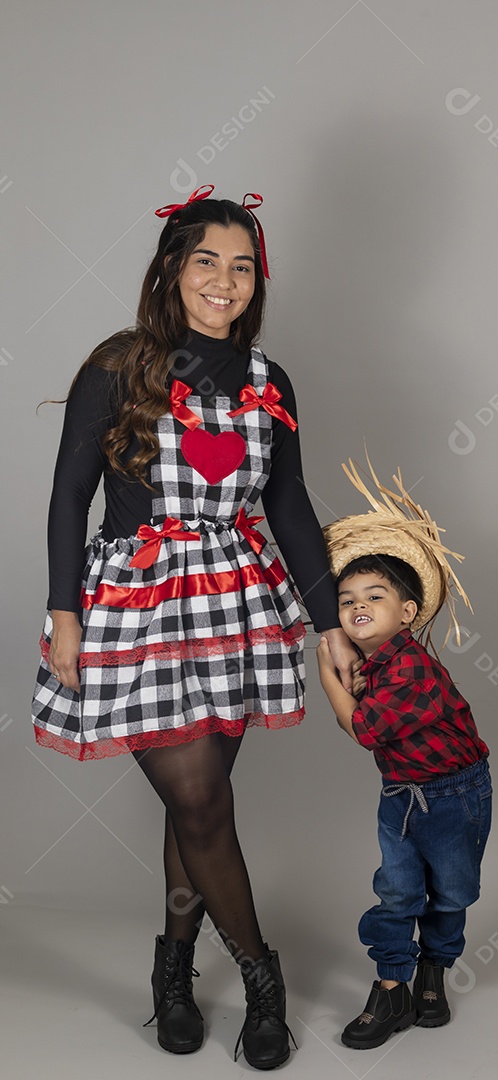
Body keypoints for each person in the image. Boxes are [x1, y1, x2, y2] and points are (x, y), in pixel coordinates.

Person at [31, 185, 356, 1070]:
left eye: (242, 266)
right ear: (173, 268)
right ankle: (262, 975)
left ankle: (173, 970)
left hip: (236, 608)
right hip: (137, 607)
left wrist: (328, 621)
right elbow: (68, 494)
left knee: (195, 805)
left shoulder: (268, 382)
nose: (224, 281)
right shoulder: (119, 366)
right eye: (206, 261)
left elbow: (287, 505)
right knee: (202, 799)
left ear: (258, 282)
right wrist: (63, 613)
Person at [317, 461, 491, 1049]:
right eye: (345, 600)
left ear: (408, 613)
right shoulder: (374, 665)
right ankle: (391, 985)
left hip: (455, 796)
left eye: (375, 595)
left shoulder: (412, 666)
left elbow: (365, 731)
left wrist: (326, 675)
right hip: (401, 796)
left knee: (451, 891)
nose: (356, 606)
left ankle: (433, 972)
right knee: (395, 891)